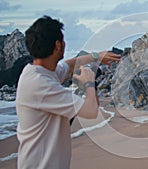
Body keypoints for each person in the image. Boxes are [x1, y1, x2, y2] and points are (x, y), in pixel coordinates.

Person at [16, 15, 120, 169]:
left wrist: (97, 56)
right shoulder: (41, 85)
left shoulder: (36, 71)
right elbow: (91, 112)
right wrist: (89, 82)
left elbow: (68, 65)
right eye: (63, 41)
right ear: (58, 45)